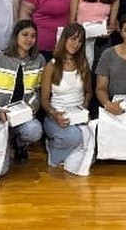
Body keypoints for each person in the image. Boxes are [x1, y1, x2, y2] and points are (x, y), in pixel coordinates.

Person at [0, 20, 45, 174]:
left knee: (34, 131)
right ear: (16, 36)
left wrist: (31, 108)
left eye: (33, 36)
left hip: (22, 116)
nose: (29, 39)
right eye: (25, 35)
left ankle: (20, 142)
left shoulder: (39, 60)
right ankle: (6, 142)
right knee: (0, 171)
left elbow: (37, 91)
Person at [41, 24, 92, 167]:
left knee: (92, 144)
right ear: (64, 39)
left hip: (78, 115)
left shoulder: (83, 64)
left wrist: (84, 108)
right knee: (75, 137)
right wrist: (55, 114)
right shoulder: (52, 65)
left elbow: (88, 92)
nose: (76, 44)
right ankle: (54, 148)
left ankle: (70, 152)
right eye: (73, 39)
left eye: (80, 41)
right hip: (57, 116)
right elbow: (44, 100)